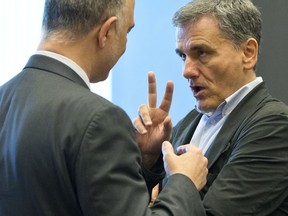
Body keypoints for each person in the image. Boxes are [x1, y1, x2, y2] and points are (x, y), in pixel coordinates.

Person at [0, 0, 209, 215]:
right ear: (106, 32)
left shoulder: (4, 97)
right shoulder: (99, 119)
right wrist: (185, 182)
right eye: (127, 31)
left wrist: (144, 161)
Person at [133, 0, 288, 215]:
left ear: (248, 53)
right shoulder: (188, 122)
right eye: (183, 55)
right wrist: (149, 161)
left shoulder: (276, 126)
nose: (186, 70)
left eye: (202, 53)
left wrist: (182, 182)